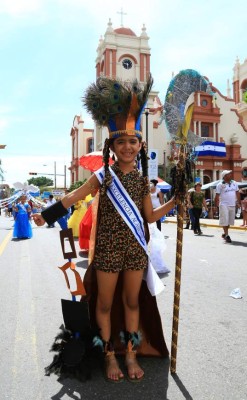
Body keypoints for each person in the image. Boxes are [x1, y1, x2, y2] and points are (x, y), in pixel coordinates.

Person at [33, 75, 176, 383]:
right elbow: (74, 196)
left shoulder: (142, 182)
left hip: (135, 249)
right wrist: (47, 214)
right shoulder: (103, 176)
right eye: (121, 142)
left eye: (132, 141)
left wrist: (176, 201)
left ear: (140, 145)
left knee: (132, 302)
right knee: (105, 303)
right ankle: (110, 355)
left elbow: (150, 218)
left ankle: (130, 353)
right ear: (112, 146)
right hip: (108, 249)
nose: (127, 146)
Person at [215, 170, 241, 243]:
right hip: (224, 204)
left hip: (232, 204)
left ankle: (224, 233)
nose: (231, 175)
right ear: (225, 176)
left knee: (229, 221)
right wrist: (215, 204)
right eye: (229, 174)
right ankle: (227, 235)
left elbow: (237, 193)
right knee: (225, 220)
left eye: (230, 174)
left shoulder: (234, 183)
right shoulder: (220, 185)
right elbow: (217, 195)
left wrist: (239, 202)